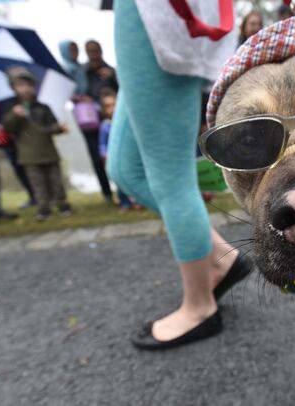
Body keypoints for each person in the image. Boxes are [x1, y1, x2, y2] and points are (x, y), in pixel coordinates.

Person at [109, 0, 253, 349]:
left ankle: (200, 307)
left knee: (170, 178)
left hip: (161, 11)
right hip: (151, 13)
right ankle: (222, 259)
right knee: (125, 170)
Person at [2, 67, 72, 221]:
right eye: (20, 85)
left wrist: (59, 128)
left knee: (56, 181)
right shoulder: (11, 109)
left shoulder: (42, 107)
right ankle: (43, 209)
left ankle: (63, 205)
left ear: (33, 86)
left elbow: (51, 126)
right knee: (38, 185)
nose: (25, 89)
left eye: (27, 84)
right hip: (28, 155)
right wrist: (15, 116)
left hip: (48, 151)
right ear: (13, 88)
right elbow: (8, 128)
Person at [81, 39, 117, 203]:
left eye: (96, 51)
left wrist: (112, 78)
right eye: (91, 51)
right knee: (98, 158)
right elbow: (77, 92)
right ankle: (107, 193)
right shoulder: (83, 73)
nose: (94, 55)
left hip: (113, 119)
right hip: (91, 122)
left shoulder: (110, 70)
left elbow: (122, 90)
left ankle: (126, 194)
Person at [97, 91, 133, 212]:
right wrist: (104, 153)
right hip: (115, 158)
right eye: (108, 106)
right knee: (120, 182)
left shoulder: (126, 122)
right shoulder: (105, 126)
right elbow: (102, 143)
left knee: (132, 179)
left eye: (114, 104)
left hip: (128, 157)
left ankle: (137, 201)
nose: (112, 109)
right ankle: (124, 203)